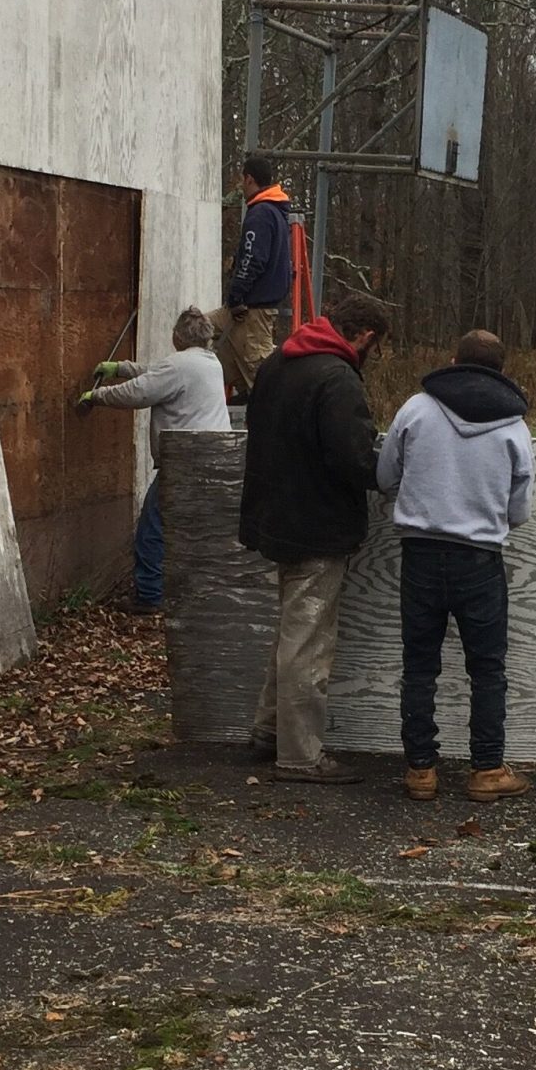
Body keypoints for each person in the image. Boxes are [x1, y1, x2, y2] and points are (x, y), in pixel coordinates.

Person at [239, 287, 392, 783]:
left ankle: (268, 732)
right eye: (376, 346)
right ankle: (301, 757)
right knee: (308, 642)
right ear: (364, 336)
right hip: (318, 525)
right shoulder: (337, 378)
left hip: (275, 516)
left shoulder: (278, 363)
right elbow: (356, 460)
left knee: (292, 630)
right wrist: (388, 465)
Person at [375, 329, 533, 802]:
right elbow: (519, 511)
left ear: (452, 360)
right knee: (486, 669)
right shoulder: (513, 425)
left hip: (420, 555)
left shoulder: (416, 409)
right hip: (479, 560)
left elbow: (386, 476)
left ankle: (420, 770)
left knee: (419, 666)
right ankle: (487, 769)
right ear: (500, 372)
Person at [78, 308, 231, 610]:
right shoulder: (209, 362)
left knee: (152, 529)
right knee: (196, 529)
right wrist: (121, 367)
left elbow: (141, 392)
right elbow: (157, 373)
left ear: (177, 336)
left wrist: (97, 396)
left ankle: (149, 596)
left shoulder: (179, 366)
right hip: (214, 457)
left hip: (186, 460)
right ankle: (195, 589)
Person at [210, 154, 293, 398]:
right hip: (252, 306)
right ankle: (243, 387)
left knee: (262, 371)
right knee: (202, 328)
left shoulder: (260, 214)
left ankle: (263, 400)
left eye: (242, 181)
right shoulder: (276, 212)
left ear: (249, 179)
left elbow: (251, 259)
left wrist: (236, 296)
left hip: (251, 309)